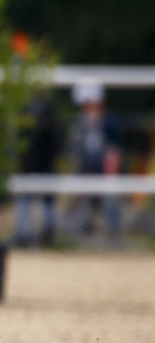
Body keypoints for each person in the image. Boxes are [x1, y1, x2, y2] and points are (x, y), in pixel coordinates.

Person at [66, 81, 123, 241]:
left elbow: (117, 146)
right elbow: (74, 147)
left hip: (104, 169)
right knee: (83, 201)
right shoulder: (80, 123)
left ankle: (114, 234)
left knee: (109, 201)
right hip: (85, 168)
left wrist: (113, 158)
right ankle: (84, 233)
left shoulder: (108, 121)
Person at [13, 90, 62, 246]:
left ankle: (46, 233)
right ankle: (24, 234)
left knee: (45, 200)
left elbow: (55, 141)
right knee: (26, 198)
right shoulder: (26, 111)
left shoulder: (49, 112)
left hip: (44, 163)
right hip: (30, 163)